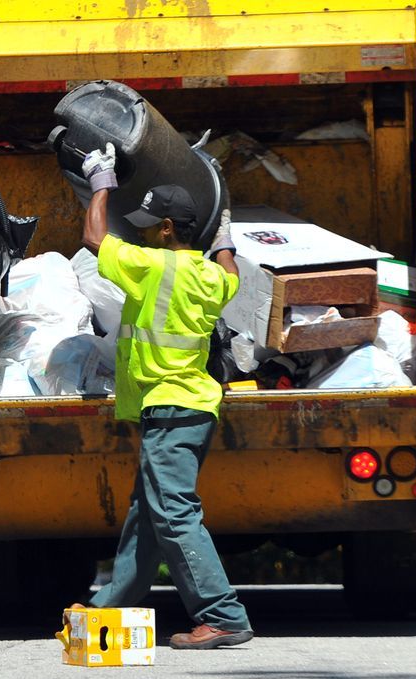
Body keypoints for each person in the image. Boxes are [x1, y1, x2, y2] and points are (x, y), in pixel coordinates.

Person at [75, 143, 253, 649]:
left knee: (173, 512)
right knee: (149, 511)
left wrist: (101, 183)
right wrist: (225, 243)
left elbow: (93, 237)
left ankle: (223, 615)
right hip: (191, 406)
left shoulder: (152, 266)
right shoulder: (213, 278)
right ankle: (110, 606)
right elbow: (233, 276)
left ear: (170, 228)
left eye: (156, 223)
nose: (151, 229)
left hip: (171, 406)